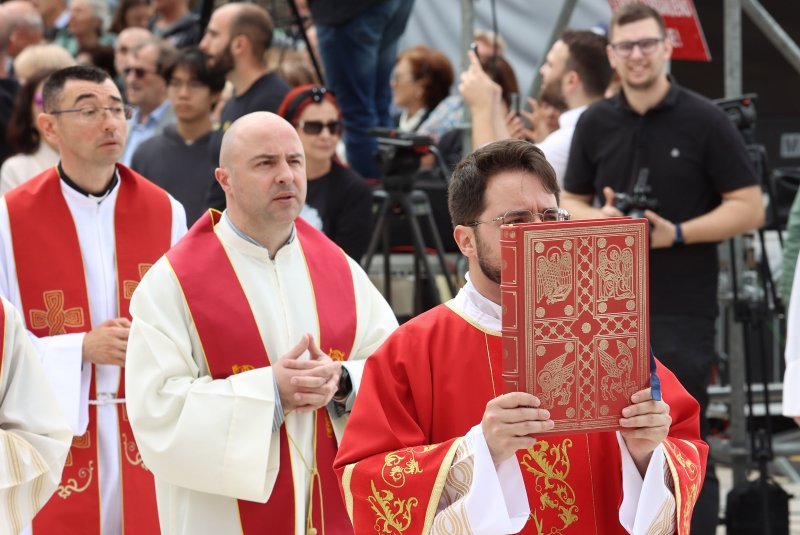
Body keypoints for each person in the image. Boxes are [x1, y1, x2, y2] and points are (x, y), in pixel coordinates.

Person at [335, 139, 708, 534]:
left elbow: (685, 444)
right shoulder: (412, 351)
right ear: (465, 240)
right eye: (515, 222)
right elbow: (367, 481)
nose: (540, 236)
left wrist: (645, 454)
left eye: (550, 217)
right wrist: (479, 452)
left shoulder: (607, 332)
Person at [125, 111, 397, 534]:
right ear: (225, 180)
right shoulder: (172, 283)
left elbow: (393, 369)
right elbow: (157, 410)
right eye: (265, 163)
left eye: (295, 161)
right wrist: (270, 393)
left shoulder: (340, 268)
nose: (286, 175)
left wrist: (342, 380)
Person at [560, 5, 764, 534]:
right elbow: (566, 200)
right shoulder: (595, 122)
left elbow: (749, 206)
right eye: (626, 47)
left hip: (681, 309)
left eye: (647, 44)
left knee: (680, 435)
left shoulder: (705, 119)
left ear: (667, 46)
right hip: (602, 311)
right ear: (611, 55)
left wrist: (675, 232)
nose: (637, 56)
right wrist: (603, 220)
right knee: (607, 434)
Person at [0, 65, 186, 534]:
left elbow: (188, 330)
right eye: (89, 110)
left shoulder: (167, 211)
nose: (110, 123)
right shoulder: (9, 218)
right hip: (58, 434)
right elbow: (3, 342)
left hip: (144, 428)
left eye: (117, 109)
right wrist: (78, 348)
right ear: (49, 126)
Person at [309, 0, 415, 178]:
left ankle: (371, 198)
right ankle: (388, 192)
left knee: (358, 114)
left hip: (348, 11)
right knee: (377, 107)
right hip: (385, 7)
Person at [200, 2, 290, 210]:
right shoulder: (234, 101)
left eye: (213, 35)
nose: (203, 45)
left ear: (239, 44)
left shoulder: (271, 102)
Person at [278, 84, 373, 261]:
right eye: (313, 127)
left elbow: (346, 264)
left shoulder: (354, 190)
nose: (325, 135)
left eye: (333, 126)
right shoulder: (273, 180)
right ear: (290, 129)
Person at [132, 48, 224, 224]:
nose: (183, 93)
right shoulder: (145, 153)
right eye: (175, 83)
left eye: (195, 84)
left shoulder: (228, 151)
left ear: (215, 93)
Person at [1, 68, 70, 194]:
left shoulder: (104, 160)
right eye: (44, 101)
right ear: (29, 113)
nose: (55, 112)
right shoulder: (17, 169)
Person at [120, 37, 176, 165]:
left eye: (140, 73)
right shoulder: (123, 120)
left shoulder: (180, 125)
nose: (130, 79)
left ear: (164, 78)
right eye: (128, 71)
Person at [391, 45, 453, 134]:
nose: (393, 84)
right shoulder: (392, 123)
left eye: (398, 78)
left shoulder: (437, 130)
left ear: (421, 87)